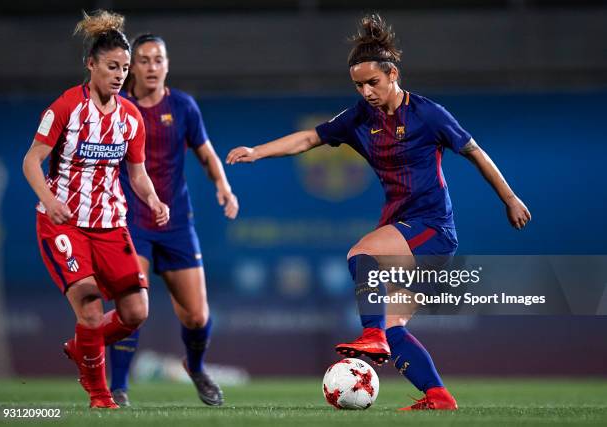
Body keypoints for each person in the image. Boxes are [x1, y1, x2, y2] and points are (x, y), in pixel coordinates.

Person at [227, 14, 531, 411]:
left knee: (361, 256)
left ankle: (371, 335)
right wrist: (258, 151)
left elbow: (475, 152)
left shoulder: (427, 114)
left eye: (373, 82)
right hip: (405, 229)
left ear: (393, 75)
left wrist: (510, 198)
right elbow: (308, 137)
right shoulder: (359, 118)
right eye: (359, 84)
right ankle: (438, 396)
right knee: (395, 327)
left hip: (431, 229)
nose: (366, 91)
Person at [22, 10, 169, 409]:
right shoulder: (66, 108)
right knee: (89, 307)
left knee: (136, 312)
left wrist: (153, 200)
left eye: (125, 68)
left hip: (111, 225)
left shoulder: (130, 118)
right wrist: (51, 201)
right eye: (112, 67)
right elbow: (32, 160)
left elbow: (137, 174)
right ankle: (100, 397)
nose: (120, 75)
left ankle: (80, 346)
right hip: (65, 224)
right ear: (91, 65)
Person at [108, 33, 239, 407]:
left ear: (167, 64)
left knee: (197, 317)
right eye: (145, 59)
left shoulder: (182, 106)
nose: (152, 67)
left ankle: (195, 367)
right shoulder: (116, 107)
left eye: (159, 59)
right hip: (130, 221)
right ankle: (118, 387)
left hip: (177, 224)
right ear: (132, 65)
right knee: (132, 309)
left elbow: (206, 152)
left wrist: (223, 186)